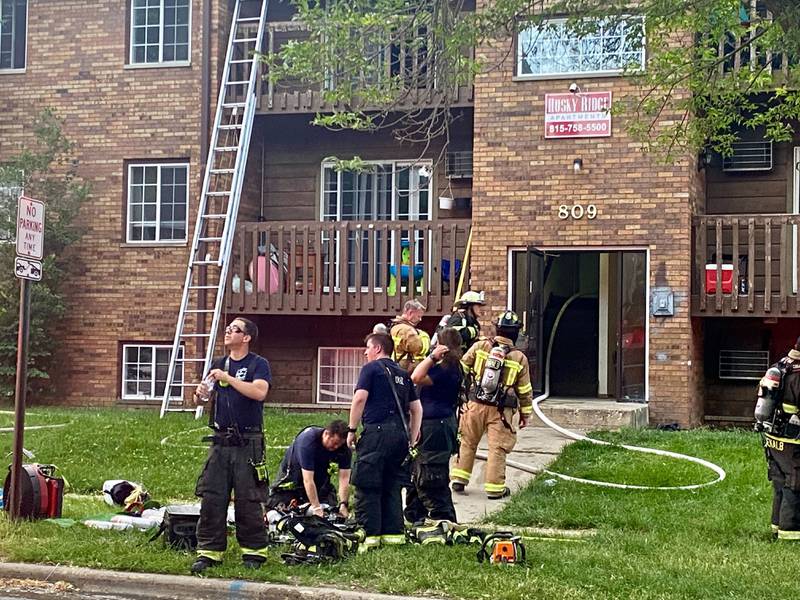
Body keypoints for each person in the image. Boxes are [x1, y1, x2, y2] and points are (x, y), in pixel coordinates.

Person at [190, 317, 272, 574]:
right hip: (220, 440)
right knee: (213, 496)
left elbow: (259, 393)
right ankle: (209, 552)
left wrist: (229, 378)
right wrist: (200, 393)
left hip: (248, 441)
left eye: (234, 330)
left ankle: (254, 552)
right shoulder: (218, 364)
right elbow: (200, 400)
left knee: (249, 497)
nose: (228, 332)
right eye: (227, 329)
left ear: (246, 338)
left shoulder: (258, 364)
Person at [347, 332, 422, 552]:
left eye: (368, 348)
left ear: (378, 349)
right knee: (392, 485)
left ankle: (369, 536)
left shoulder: (371, 369)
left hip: (376, 433)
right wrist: (412, 437)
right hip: (400, 436)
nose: (365, 352)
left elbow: (360, 398)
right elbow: (416, 409)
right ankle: (394, 535)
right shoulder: (403, 373)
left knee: (368, 483)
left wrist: (352, 429)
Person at [451, 310, 533, 500]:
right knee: (497, 448)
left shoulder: (481, 346)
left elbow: (462, 367)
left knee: (467, 442)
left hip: (474, 404)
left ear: (497, 328)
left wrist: (460, 393)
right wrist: (525, 415)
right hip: (501, 411)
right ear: (515, 332)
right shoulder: (519, 358)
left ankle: (459, 478)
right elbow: (525, 390)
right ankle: (495, 489)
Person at [405, 327, 464, 526]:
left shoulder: (446, 369)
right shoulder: (448, 367)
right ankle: (415, 515)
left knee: (431, 473)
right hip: (435, 424)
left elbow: (416, 377)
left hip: (435, 426)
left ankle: (444, 518)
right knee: (418, 470)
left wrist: (432, 357)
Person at [267, 420, 352, 518]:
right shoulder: (308, 441)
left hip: (320, 479)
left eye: (340, 444)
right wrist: (316, 508)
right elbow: (308, 480)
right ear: (326, 434)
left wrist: (343, 505)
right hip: (293, 478)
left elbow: (344, 479)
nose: (337, 447)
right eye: (335, 443)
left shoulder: (344, 448)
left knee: (329, 510)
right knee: (279, 508)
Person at [761, 338, 800, 540]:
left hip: (774, 437)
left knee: (779, 481)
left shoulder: (780, 366)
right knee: (795, 483)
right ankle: (790, 534)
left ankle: (776, 528)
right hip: (794, 442)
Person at [389, 299, 430, 372]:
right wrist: (424, 336)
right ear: (410, 313)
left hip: (398, 366)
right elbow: (417, 347)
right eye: (418, 316)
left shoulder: (395, 327)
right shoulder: (408, 331)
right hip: (408, 369)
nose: (420, 319)